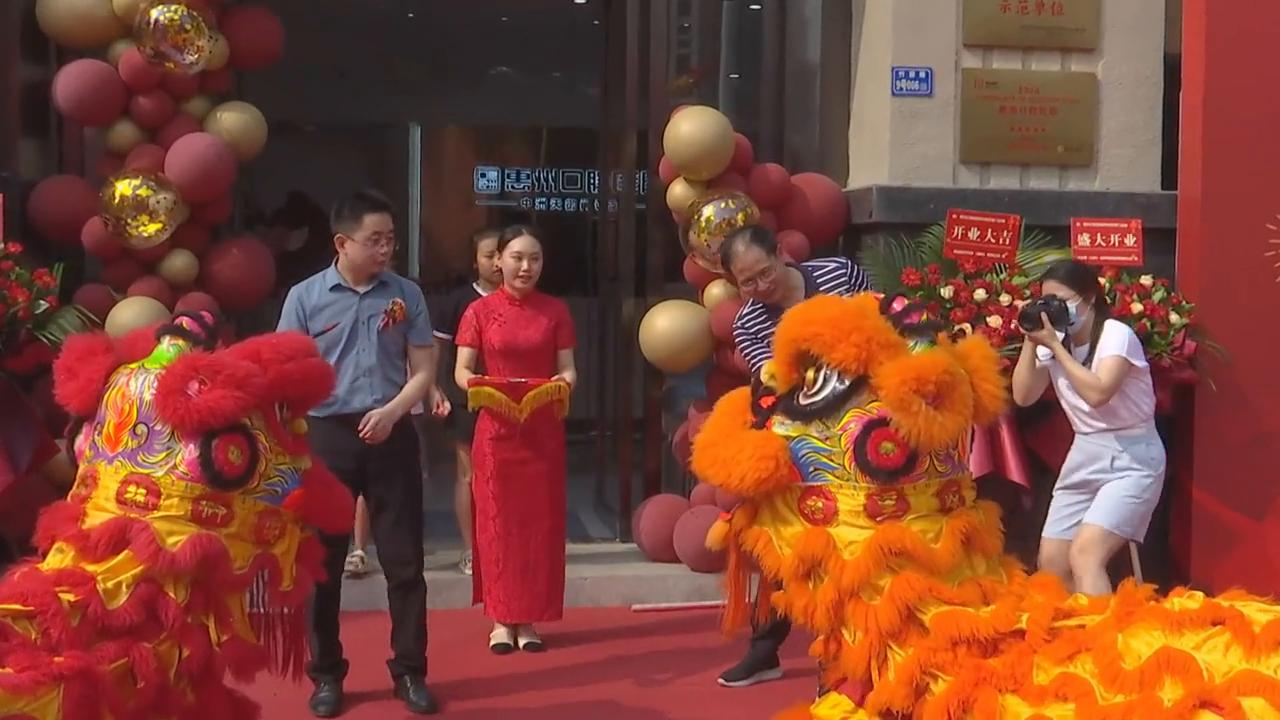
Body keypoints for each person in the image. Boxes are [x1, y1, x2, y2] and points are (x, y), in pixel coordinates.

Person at [277, 189, 448, 717]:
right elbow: (286, 370)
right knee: (323, 566)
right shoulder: (304, 297)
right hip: (328, 436)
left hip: (392, 430)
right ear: (342, 242)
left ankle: (410, 671)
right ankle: (327, 674)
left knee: (404, 562)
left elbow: (423, 369)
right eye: (375, 240)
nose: (386, 249)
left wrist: (395, 411)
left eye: (391, 239)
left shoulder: (406, 294)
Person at [716, 224, 872, 688]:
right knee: (780, 547)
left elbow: (885, 330)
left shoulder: (840, 275)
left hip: (867, 432)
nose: (761, 287)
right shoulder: (748, 322)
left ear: (783, 253)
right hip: (801, 440)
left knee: (857, 552)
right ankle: (764, 650)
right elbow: (776, 387)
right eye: (748, 282)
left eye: (765, 273)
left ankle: (848, 659)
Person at [453, 224, 577, 654]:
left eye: (535, 259)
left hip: (542, 431)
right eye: (517, 258)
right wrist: (487, 387)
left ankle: (529, 620)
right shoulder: (479, 312)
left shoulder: (556, 311)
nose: (526, 267)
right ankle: (501, 619)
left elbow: (568, 370)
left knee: (537, 527)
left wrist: (558, 385)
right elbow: (461, 372)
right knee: (498, 525)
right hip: (496, 434)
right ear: (497, 261)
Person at [1011, 259, 1165, 597]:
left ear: (1089, 298)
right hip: (1084, 454)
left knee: (1086, 554)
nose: (1054, 311)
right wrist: (1030, 340)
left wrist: (1053, 347)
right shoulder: (1055, 341)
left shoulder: (1115, 335)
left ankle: (1104, 643)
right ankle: (1076, 633)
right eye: (1045, 302)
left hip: (1132, 457)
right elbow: (1023, 396)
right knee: (1051, 560)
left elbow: (1098, 393)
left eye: (1061, 302)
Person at [430, 228, 503, 575]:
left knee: (508, 477)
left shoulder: (523, 300)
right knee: (469, 474)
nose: (497, 262)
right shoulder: (457, 302)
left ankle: (503, 546)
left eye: (502, 253)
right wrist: (433, 387)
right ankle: (471, 549)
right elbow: (437, 351)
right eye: (489, 255)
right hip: (467, 400)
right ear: (475, 261)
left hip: (512, 402)